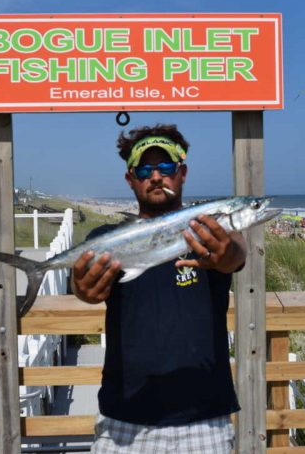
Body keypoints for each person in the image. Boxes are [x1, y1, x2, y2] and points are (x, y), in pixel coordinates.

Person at [72, 124, 247, 453]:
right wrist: (82, 290)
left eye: (166, 167)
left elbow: (235, 252)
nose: (156, 177)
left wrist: (229, 252)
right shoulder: (107, 240)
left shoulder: (209, 233)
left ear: (182, 173)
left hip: (204, 419)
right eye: (144, 169)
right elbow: (84, 287)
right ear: (130, 179)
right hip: (124, 419)